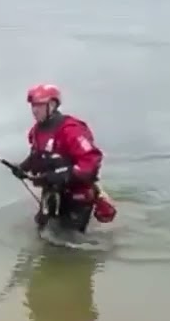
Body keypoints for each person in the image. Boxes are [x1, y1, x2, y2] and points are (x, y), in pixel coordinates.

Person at [16, 83, 116, 232]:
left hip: (77, 195)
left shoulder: (71, 130)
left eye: (39, 105)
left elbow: (91, 163)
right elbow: (37, 155)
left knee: (69, 238)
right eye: (33, 106)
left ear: (52, 105)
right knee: (41, 230)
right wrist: (22, 168)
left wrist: (61, 175)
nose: (34, 110)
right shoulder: (36, 130)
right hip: (52, 191)